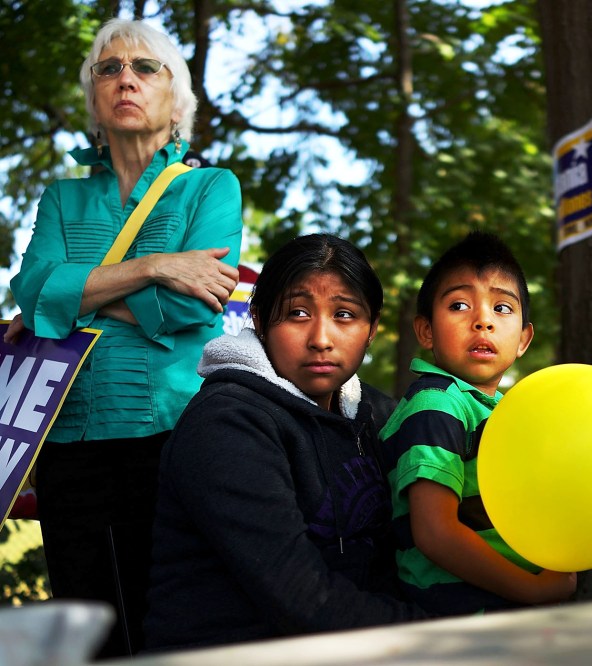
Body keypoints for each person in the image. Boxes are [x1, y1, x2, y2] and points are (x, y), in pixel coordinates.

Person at [5, 19, 242, 658]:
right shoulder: (61, 198)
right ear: (94, 100)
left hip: (171, 434)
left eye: (145, 67)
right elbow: (30, 292)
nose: (125, 78)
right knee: (87, 631)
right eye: (108, 69)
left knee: (170, 621)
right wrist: (158, 266)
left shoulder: (210, 187)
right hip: (67, 439)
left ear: (177, 98)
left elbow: (197, 310)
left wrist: (75, 297)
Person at [144, 234, 430, 651]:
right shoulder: (226, 423)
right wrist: (440, 632)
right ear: (258, 320)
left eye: (345, 315)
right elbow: (300, 596)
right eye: (297, 313)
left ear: (372, 330)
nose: (321, 339)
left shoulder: (379, 416)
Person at [380, 231, 577, 616]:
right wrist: (532, 589)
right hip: (461, 616)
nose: (483, 320)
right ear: (426, 331)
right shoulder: (436, 402)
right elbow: (435, 532)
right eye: (459, 305)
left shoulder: (509, 412)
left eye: (502, 308)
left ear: (523, 339)